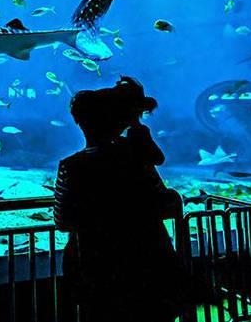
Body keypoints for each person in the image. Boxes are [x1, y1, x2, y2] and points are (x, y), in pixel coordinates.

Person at [54, 76, 192, 322]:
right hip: (148, 262)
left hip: (96, 265)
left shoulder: (72, 166)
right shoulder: (136, 160)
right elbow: (164, 203)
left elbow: (63, 220)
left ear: (81, 123)